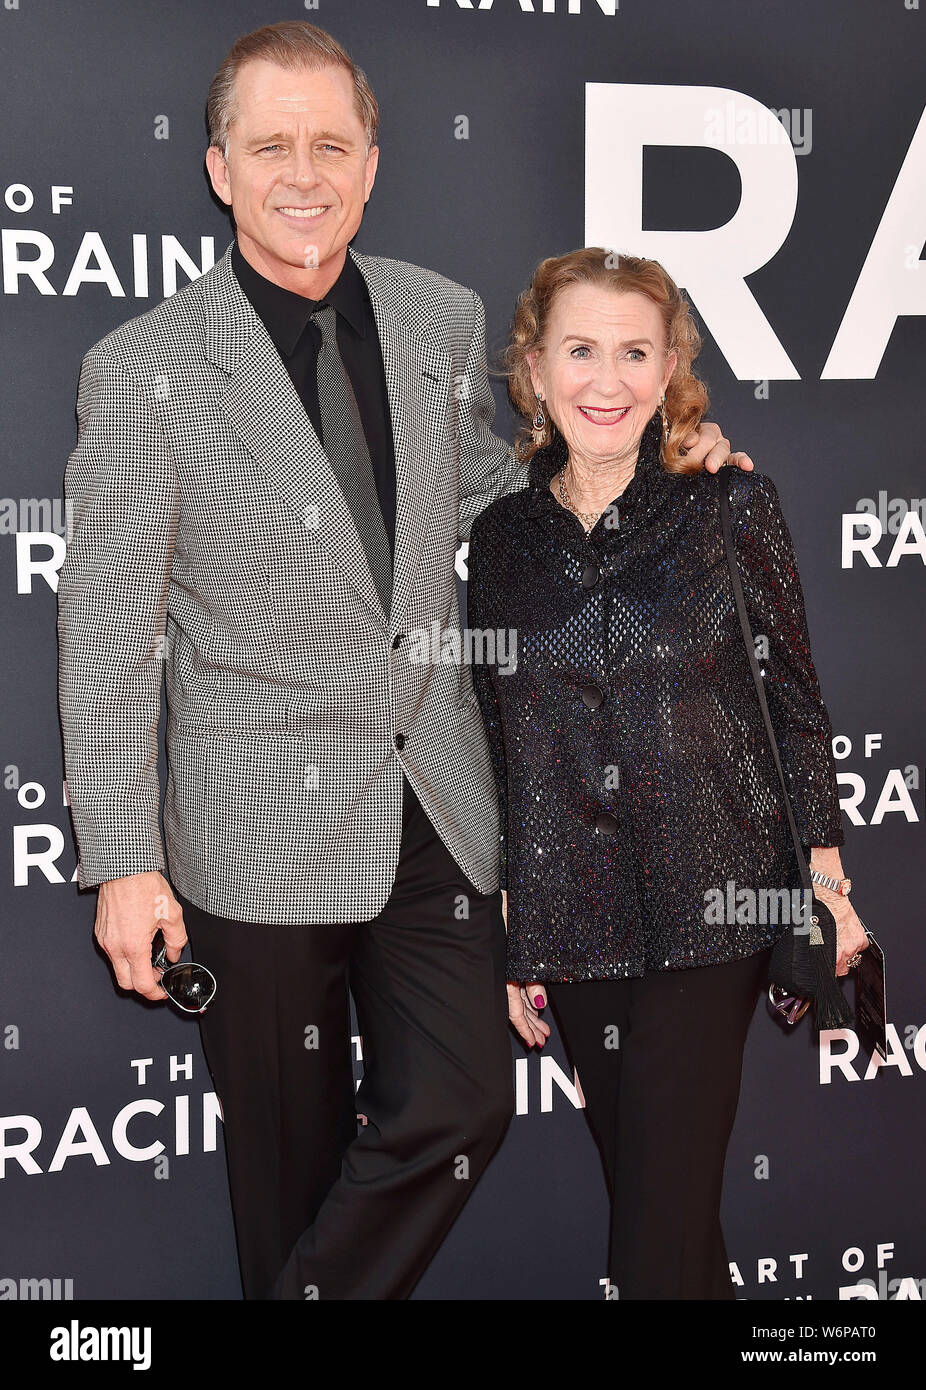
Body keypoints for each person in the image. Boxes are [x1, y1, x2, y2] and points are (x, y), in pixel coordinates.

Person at [56, 22, 752, 1301]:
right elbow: (105, 627)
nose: (303, 172)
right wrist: (124, 862)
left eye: (331, 143)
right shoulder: (144, 369)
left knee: (458, 1105)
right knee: (288, 1173)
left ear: (371, 163)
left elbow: (492, 493)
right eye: (271, 144)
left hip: (431, 800)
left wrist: (654, 463)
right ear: (219, 168)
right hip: (253, 826)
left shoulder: (437, 315)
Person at [467, 248, 868, 1300]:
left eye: (633, 352)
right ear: (535, 367)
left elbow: (791, 700)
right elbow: (502, 734)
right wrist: (515, 914)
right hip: (573, 918)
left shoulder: (727, 507)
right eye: (581, 350)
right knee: (672, 1230)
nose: (607, 380)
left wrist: (826, 885)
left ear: (669, 366)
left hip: (717, 901)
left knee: (647, 1246)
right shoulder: (499, 542)